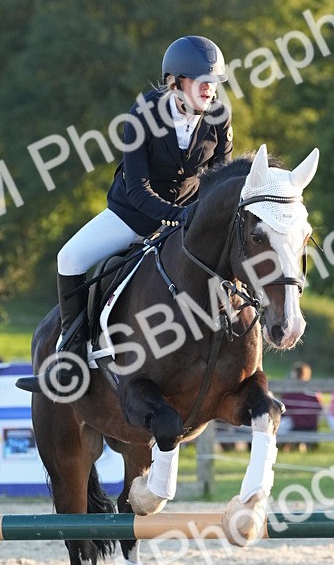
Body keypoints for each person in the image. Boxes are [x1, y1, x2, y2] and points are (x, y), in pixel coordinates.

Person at [40, 35, 233, 391]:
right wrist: (174, 216)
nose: (210, 89)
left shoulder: (218, 116)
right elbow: (136, 188)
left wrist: (198, 217)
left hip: (189, 218)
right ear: (176, 82)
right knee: (69, 258)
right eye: (202, 81)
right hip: (133, 214)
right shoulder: (144, 113)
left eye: (214, 82)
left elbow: (218, 180)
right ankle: (72, 349)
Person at [278, 362, 323, 451]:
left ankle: (282, 445)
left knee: (281, 421)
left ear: (294, 374)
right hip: (312, 425)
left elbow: (283, 408)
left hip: (296, 424)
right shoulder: (313, 390)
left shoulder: (291, 391)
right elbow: (319, 407)